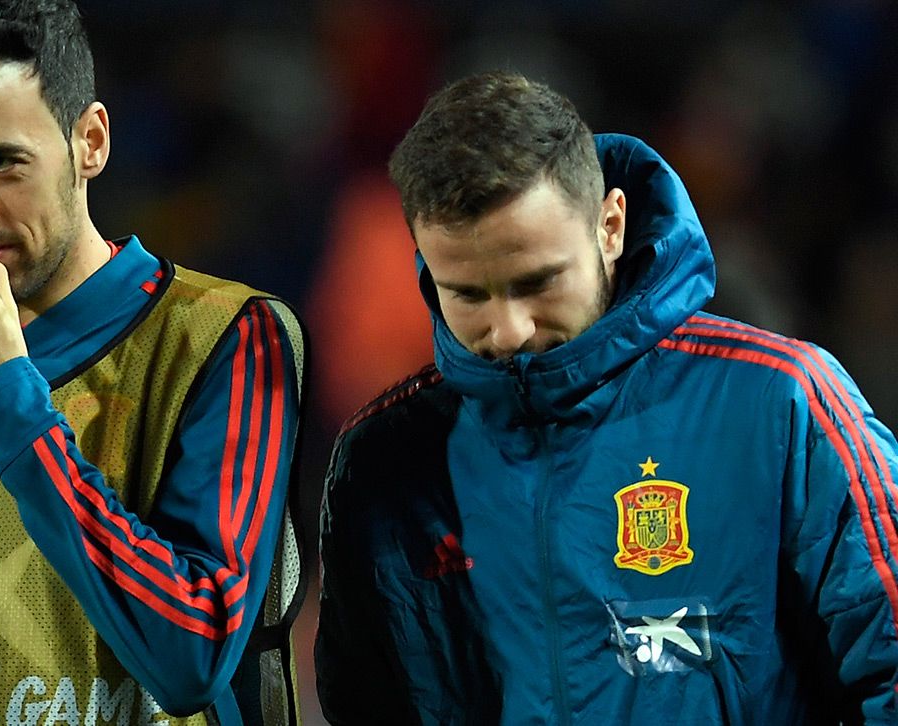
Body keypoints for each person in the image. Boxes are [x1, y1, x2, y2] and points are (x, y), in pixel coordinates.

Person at [314, 70, 898, 724]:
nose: (507, 331)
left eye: (538, 281)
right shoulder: (382, 461)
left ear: (610, 225)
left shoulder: (781, 405)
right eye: (467, 294)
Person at [0, 1, 308, 724]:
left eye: (1, 163)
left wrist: (2, 398)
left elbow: (190, 656)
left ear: (89, 142)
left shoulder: (223, 335)